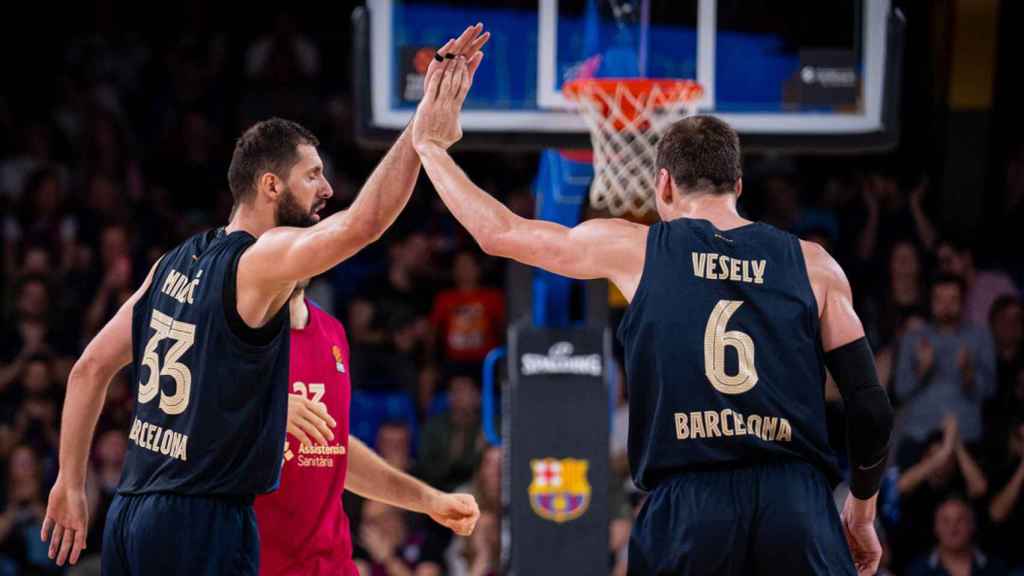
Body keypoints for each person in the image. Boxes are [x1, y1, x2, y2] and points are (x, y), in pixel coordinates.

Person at [409, 57, 895, 575]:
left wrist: (431, 148)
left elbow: (498, 233)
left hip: (690, 502)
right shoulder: (814, 263)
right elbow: (869, 408)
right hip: (794, 502)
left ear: (663, 185)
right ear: (738, 184)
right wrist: (861, 512)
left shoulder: (636, 248)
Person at [40, 23, 488, 573]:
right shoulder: (258, 259)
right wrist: (422, 133)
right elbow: (363, 225)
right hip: (201, 519)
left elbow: (89, 369)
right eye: (313, 176)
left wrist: (69, 480)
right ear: (271, 186)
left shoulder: (173, 263)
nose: (326, 189)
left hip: (134, 513)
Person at [254, 279, 481, 576]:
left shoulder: (332, 331)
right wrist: (268, 411)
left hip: (331, 564)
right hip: (255, 561)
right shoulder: (234, 333)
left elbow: (336, 450)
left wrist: (428, 499)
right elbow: (192, 429)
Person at [906, 497, 1008, 576]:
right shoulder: (918, 570)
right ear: (935, 527)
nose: (953, 528)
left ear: (972, 525)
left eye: (960, 520)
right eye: (945, 521)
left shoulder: (995, 568)